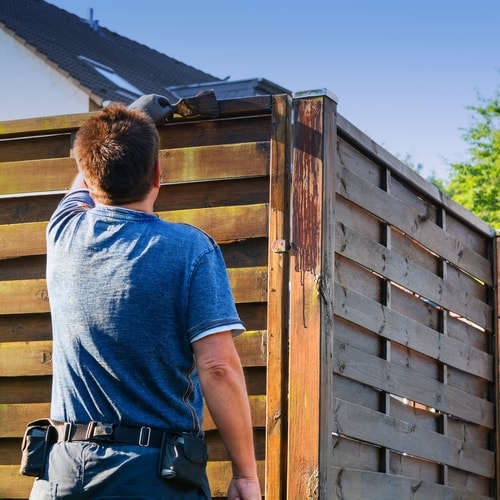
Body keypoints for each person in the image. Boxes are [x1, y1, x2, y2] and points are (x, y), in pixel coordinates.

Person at [28, 102, 262, 499]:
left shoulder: (63, 232)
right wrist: (245, 476)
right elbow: (219, 367)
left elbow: (82, 181)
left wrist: (133, 115)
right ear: (158, 174)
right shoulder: (191, 250)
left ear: (87, 171)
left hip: (60, 475)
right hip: (153, 477)